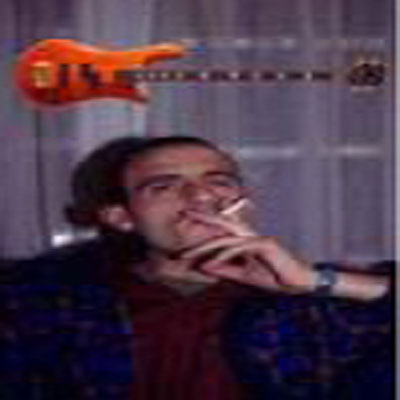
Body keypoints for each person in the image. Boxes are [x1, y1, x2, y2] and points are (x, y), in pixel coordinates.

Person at [0, 136, 393, 400]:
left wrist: (314, 281)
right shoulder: (45, 305)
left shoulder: (316, 299)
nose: (201, 195)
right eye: (163, 186)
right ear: (122, 218)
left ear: (244, 201)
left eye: (218, 181)